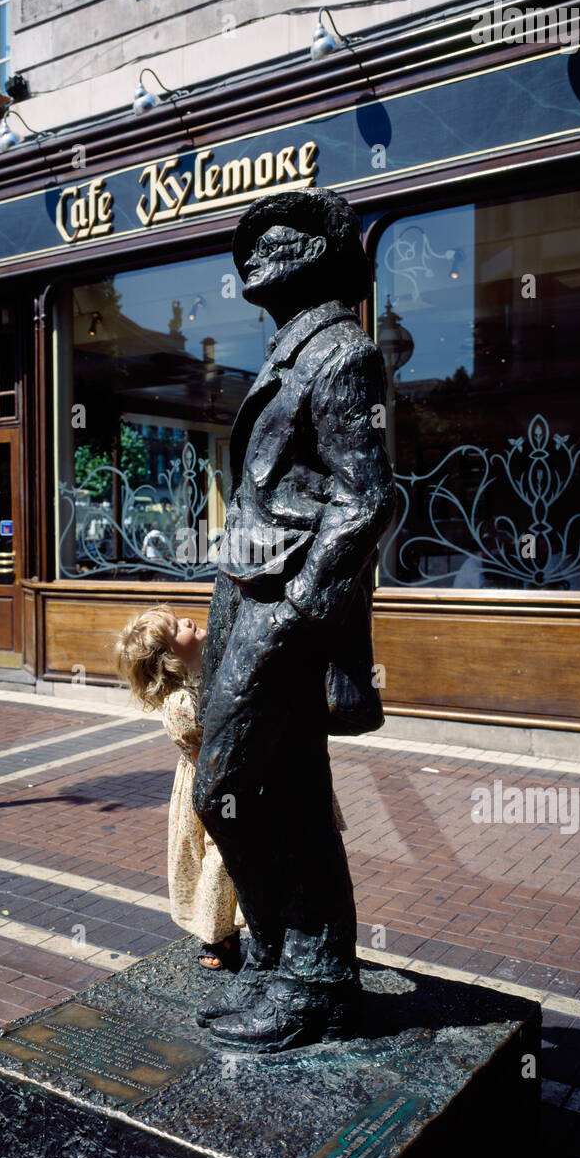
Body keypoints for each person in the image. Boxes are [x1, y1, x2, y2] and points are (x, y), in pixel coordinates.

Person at [191, 188, 397, 1051]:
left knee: (226, 786)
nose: (255, 256)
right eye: (249, 245)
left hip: (282, 605)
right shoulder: (290, 353)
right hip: (245, 590)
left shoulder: (340, 354)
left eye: (274, 241)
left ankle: (308, 975)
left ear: (317, 257)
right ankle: (296, 972)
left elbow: (368, 499)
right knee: (275, 788)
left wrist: (301, 613)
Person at [114, 603, 244, 970]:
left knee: (230, 857)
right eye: (175, 630)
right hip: (215, 788)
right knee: (217, 857)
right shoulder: (182, 703)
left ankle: (232, 929)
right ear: (169, 657)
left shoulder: (213, 667)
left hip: (230, 783)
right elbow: (217, 750)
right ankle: (217, 935)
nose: (188, 620)